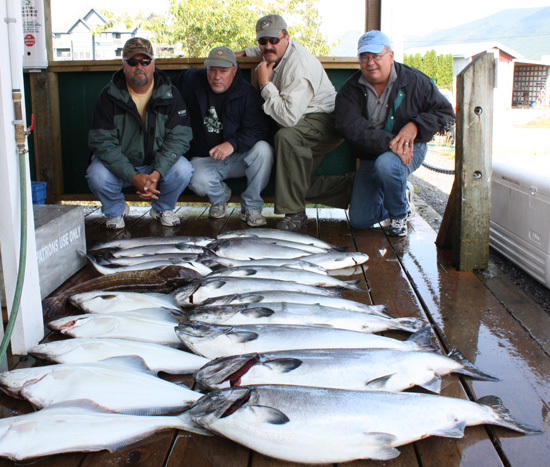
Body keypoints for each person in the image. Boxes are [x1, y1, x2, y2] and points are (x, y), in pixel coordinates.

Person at [237, 14, 353, 232]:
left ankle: (295, 215)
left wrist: (264, 84)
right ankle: (356, 188)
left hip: (325, 121)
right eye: (263, 41)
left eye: (274, 40)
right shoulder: (276, 49)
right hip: (303, 119)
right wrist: (245, 53)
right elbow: (266, 49)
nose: (268, 46)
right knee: (296, 185)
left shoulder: (298, 67)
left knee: (286, 137)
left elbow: (288, 119)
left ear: (286, 38)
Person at [335, 30, 455, 237]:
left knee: (388, 165)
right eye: (364, 57)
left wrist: (415, 125)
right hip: (372, 153)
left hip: (411, 148)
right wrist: (392, 142)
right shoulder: (350, 89)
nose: (370, 62)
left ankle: (399, 215)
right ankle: (401, 194)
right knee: (359, 220)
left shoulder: (416, 81)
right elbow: (348, 126)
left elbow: (445, 113)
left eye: (376, 56)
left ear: (390, 56)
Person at [87, 37, 193, 229]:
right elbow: (102, 144)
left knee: (183, 169)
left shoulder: (171, 94)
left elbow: (180, 138)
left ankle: (162, 208)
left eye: (145, 61)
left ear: (153, 63)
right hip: (120, 167)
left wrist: (156, 173)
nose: (139, 67)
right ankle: (115, 211)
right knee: (97, 174)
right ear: (123, 65)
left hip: (155, 166)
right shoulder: (108, 96)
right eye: (132, 62)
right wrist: (134, 177)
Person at [173, 46, 273, 226]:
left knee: (264, 151)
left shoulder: (246, 93)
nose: (216, 76)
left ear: (234, 70)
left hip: (238, 157)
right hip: (206, 158)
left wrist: (232, 144)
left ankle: (251, 207)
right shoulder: (192, 81)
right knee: (196, 180)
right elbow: (164, 84)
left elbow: (259, 129)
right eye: (212, 70)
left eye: (223, 71)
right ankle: (219, 199)